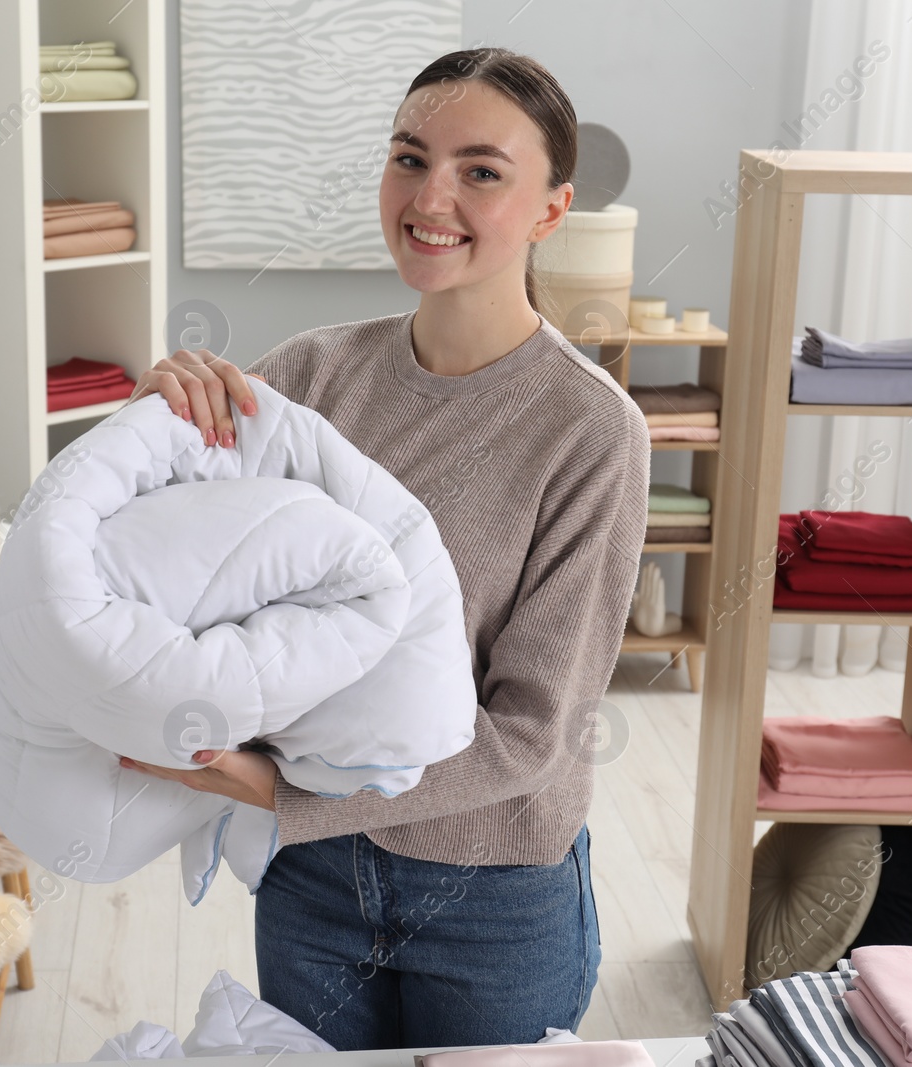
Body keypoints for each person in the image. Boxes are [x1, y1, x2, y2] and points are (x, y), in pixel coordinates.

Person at [120, 47, 650, 1050]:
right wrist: (157, 419)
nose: (429, 195)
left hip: (488, 896)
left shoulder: (589, 430)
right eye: (409, 157)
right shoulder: (306, 378)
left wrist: (286, 792)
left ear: (550, 209)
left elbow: (531, 730)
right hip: (312, 882)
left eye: (481, 170)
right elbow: (175, 571)